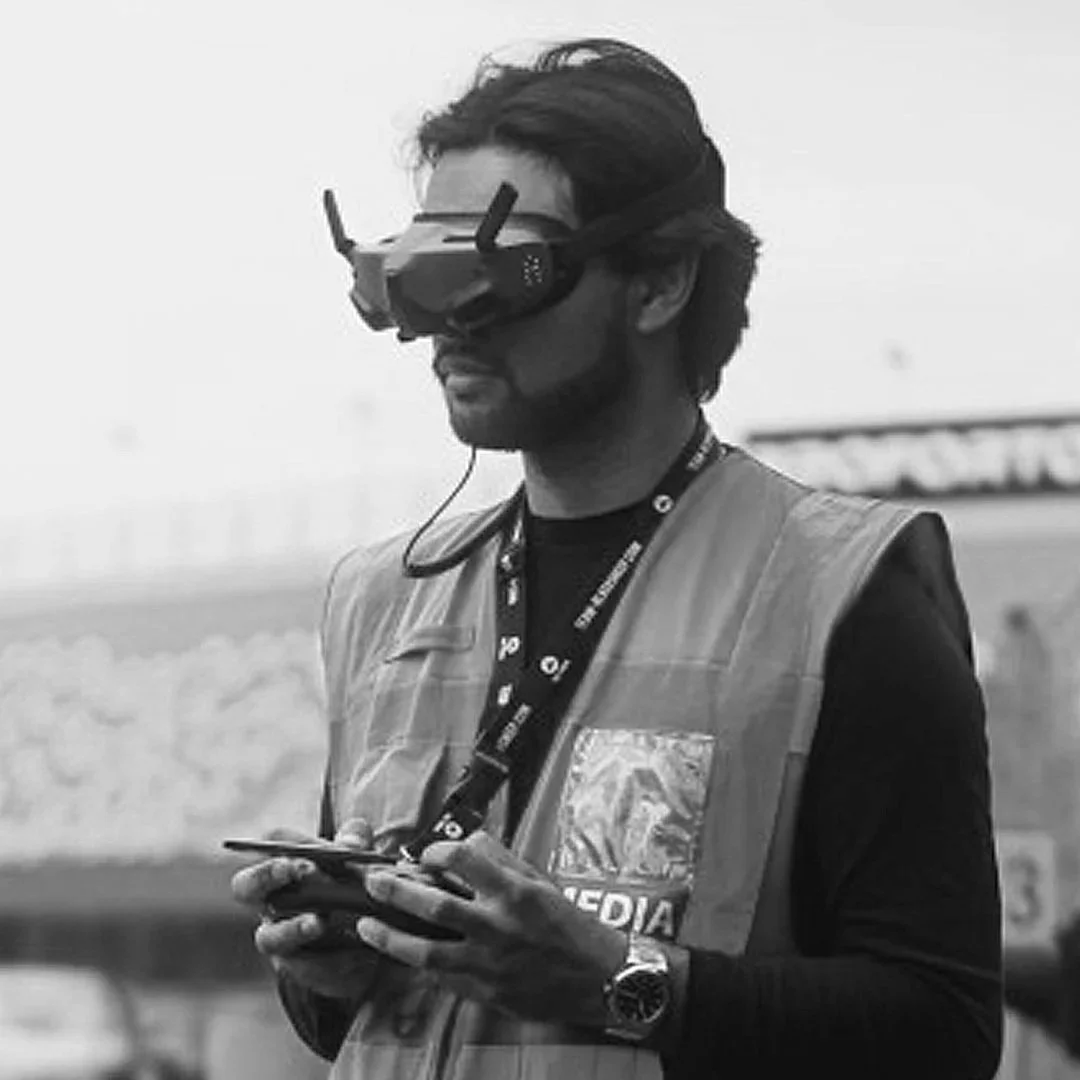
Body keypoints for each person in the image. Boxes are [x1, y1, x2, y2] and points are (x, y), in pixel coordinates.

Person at [230, 37, 1003, 1079]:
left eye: (493, 272)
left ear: (659, 285)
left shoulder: (847, 595)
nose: (442, 328)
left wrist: (620, 982)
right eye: (416, 276)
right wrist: (329, 972)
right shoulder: (379, 601)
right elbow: (356, 1030)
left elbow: (941, 1033)